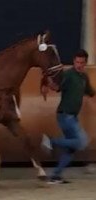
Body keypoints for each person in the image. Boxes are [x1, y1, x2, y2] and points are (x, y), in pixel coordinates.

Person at [41, 49, 96, 184]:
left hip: (72, 117)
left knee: (71, 149)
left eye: (82, 63)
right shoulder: (69, 74)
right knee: (82, 142)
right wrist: (48, 84)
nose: (79, 65)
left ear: (85, 63)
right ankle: (51, 141)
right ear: (73, 61)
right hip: (65, 115)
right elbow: (57, 86)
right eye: (77, 62)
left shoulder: (84, 77)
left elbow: (91, 93)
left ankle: (55, 177)